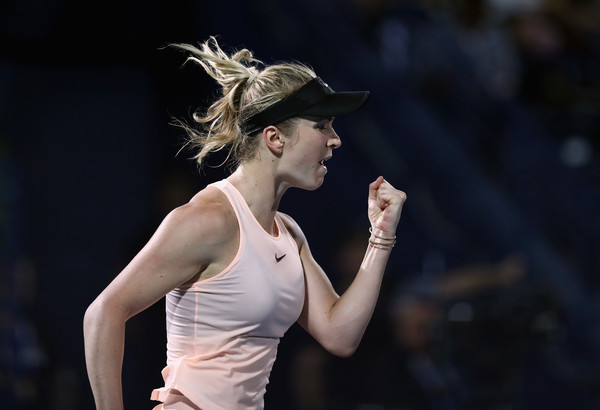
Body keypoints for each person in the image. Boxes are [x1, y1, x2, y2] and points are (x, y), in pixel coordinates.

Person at [83, 36, 407, 410]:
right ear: (274, 138)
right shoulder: (208, 220)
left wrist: (380, 237)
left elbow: (340, 334)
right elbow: (103, 312)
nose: (335, 140)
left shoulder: (288, 233)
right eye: (321, 126)